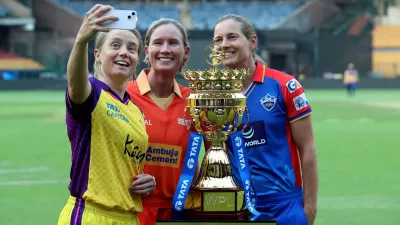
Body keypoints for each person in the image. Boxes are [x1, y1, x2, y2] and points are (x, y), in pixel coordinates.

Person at [213, 14, 318, 225]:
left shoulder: (285, 85)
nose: (224, 45)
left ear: (252, 42)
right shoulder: (212, 95)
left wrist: (310, 208)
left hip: (283, 206)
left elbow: (307, 147)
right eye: (218, 40)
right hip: (234, 207)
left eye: (232, 37)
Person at [57, 4, 155, 225]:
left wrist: (147, 181)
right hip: (91, 215)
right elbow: (75, 85)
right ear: (98, 55)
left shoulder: (136, 111)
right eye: (116, 45)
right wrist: (81, 40)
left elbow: (126, 163)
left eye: (132, 49)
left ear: (137, 60)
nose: (124, 52)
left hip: (129, 217)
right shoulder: (91, 93)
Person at [126, 18, 195, 225]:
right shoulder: (124, 95)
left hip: (178, 213)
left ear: (186, 51)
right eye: (158, 43)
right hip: (131, 211)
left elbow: (194, 158)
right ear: (146, 51)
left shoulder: (194, 101)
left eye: (173, 43)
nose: (165, 49)